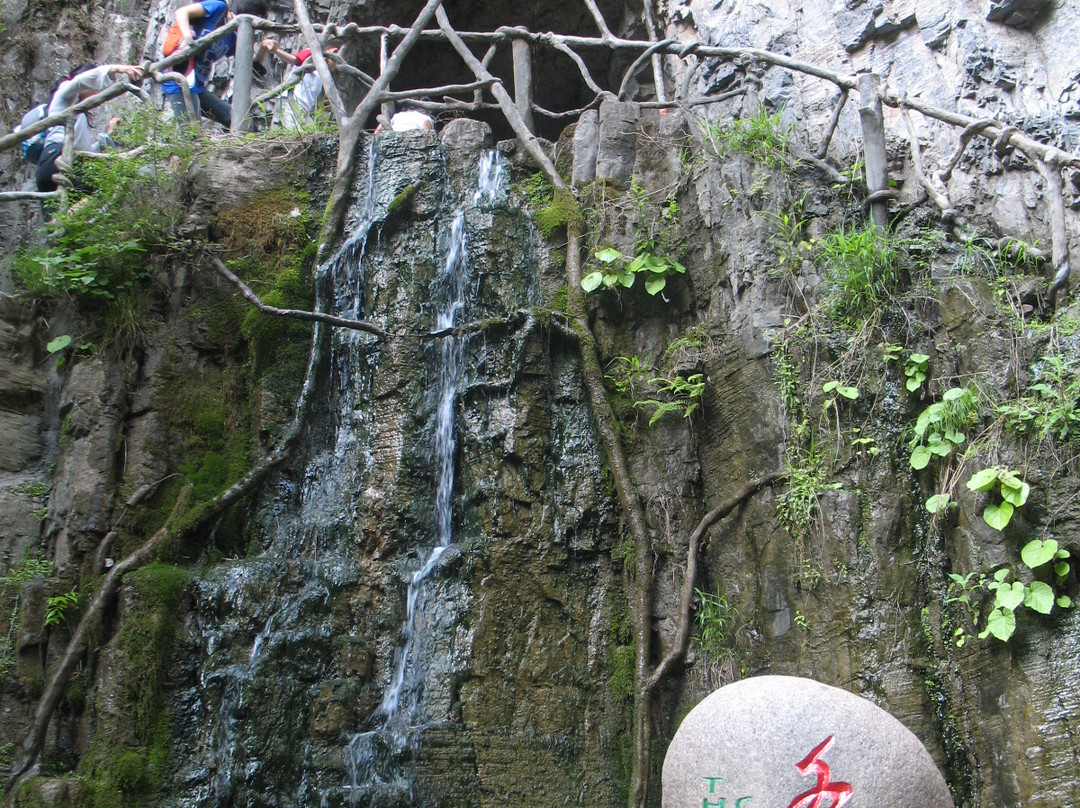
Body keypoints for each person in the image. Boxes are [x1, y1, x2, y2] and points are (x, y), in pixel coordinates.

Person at [36, 63, 144, 218]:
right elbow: (78, 82)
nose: (96, 90)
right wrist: (116, 69)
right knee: (103, 185)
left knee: (56, 223)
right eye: (92, 85)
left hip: (50, 166)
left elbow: (85, 152)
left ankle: (59, 224)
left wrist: (109, 134)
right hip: (57, 157)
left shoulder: (79, 116)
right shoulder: (64, 97)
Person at [162, 0, 268, 128]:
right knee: (191, 132)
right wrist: (187, 36)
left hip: (197, 87)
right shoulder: (218, 7)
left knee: (238, 121)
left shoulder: (234, 37)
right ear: (235, 14)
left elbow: (252, 66)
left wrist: (264, 49)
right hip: (180, 80)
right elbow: (181, 12)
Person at [259, 39, 338, 130]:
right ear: (334, 52)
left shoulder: (322, 72)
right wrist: (276, 50)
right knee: (291, 132)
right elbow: (294, 60)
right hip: (291, 102)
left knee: (310, 132)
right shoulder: (313, 53)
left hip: (303, 109)